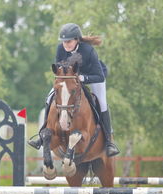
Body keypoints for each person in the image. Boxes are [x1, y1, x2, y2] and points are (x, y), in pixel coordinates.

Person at [28, 23, 119, 157]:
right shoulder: (60, 49)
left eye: (69, 41)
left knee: (102, 103)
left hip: (92, 76)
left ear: (77, 39)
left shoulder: (88, 51)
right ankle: (42, 135)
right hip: (70, 80)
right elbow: (59, 70)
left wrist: (83, 78)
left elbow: (99, 76)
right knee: (49, 98)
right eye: (64, 41)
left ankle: (108, 142)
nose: (66, 44)